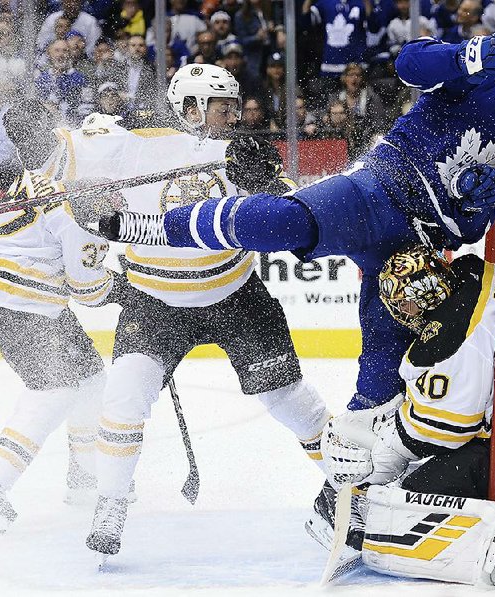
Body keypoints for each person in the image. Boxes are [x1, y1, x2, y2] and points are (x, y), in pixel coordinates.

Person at [96, 35, 495, 417]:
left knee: (384, 374)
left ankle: (342, 497)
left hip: (415, 248)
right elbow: (409, 64)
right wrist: (465, 55)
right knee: (288, 221)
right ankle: (161, 228)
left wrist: (477, 203)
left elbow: (475, 227)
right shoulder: (487, 78)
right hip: (376, 191)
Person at [47, 64, 332, 557]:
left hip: (236, 297)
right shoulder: (131, 142)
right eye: (223, 108)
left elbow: (289, 213)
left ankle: (351, 484)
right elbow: (55, 155)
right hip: (155, 303)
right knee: (123, 399)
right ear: (193, 108)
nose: (233, 117)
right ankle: (111, 501)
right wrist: (49, 157)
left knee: (290, 400)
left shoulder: (241, 151)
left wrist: (267, 182)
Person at [317, 245, 495, 587]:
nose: (404, 312)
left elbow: (444, 430)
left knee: (415, 495)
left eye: (406, 303)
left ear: (426, 294)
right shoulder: (475, 278)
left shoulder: (453, 340)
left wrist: (385, 451)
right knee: (421, 474)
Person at [0, 99, 121, 533]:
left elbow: (93, 136)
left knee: (90, 378)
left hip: (7, 276)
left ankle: (85, 479)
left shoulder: (60, 149)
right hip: (13, 292)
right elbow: (88, 289)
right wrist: (128, 289)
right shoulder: (77, 203)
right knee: (55, 388)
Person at [37, 0, 102, 57]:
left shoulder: (90, 21)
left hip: (80, 61)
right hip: (53, 59)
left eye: (75, 1)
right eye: (69, 1)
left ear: (81, 3)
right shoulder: (52, 19)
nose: (72, 4)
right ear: (63, 2)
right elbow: (41, 43)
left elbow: (94, 48)